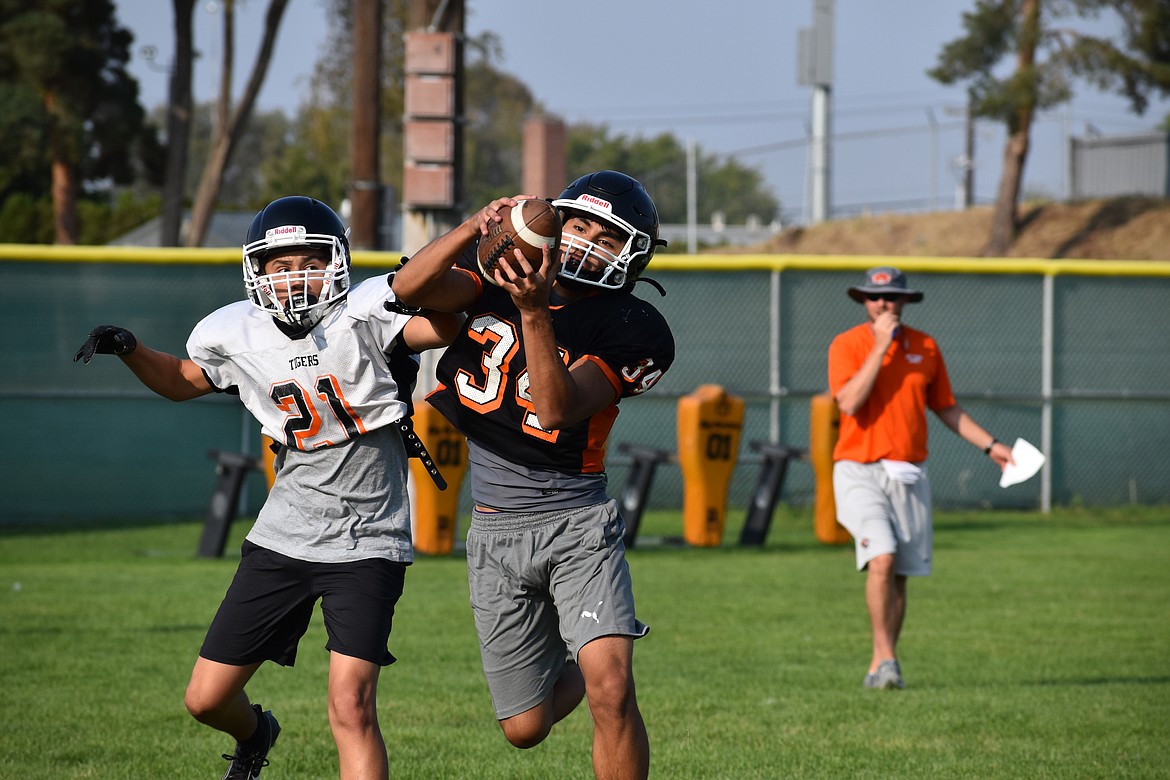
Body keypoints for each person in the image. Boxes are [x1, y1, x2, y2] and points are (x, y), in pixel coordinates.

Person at [74, 196, 462, 780]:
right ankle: (257, 735)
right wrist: (132, 350)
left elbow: (447, 322)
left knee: (351, 708)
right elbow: (185, 380)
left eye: (306, 260)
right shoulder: (239, 332)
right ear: (256, 270)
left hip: (367, 538)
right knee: (204, 700)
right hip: (284, 533)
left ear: (336, 263)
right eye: (278, 265)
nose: (292, 277)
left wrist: (434, 276)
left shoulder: (366, 315)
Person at [391, 170, 674, 779]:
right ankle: (578, 662)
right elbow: (407, 285)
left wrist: (533, 314)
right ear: (555, 221)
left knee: (613, 692)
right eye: (580, 225)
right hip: (495, 528)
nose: (589, 241)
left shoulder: (635, 325)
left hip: (576, 521)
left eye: (608, 234)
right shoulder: (501, 269)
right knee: (525, 728)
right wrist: (475, 227)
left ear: (633, 252)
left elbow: (555, 409)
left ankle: (601, 656)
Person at [828, 266, 1014, 690]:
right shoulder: (848, 344)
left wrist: (991, 446)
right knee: (883, 557)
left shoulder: (926, 347)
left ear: (906, 301)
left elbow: (947, 407)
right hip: (858, 469)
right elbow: (850, 402)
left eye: (893, 297)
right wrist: (880, 348)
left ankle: (884, 663)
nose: (884, 304)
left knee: (900, 573)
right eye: (875, 297)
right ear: (863, 301)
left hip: (909, 473)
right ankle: (886, 658)